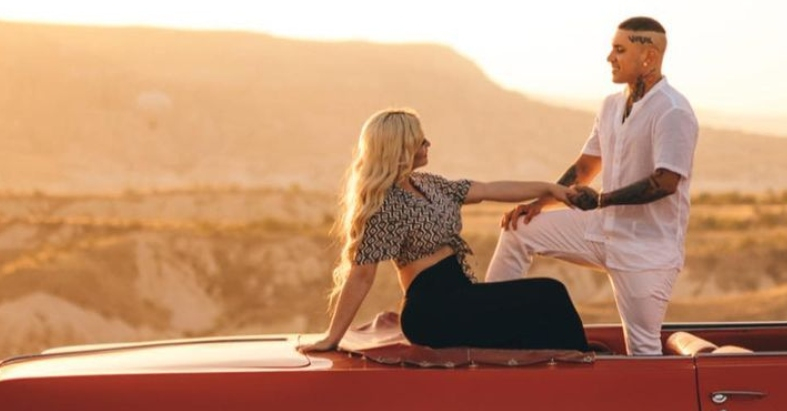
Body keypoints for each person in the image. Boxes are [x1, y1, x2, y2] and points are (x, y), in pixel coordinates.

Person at [485, 16, 699, 356]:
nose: (609, 58)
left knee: (643, 350)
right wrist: (539, 205)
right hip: (599, 230)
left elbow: (666, 182)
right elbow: (586, 167)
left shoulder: (673, 111)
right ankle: (489, 326)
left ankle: (650, 406)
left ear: (649, 57)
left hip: (647, 251)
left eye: (619, 50)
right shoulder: (610, 106)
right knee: (519, 229)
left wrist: (601, 200)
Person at [298, 108, 590, 353]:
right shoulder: (382, 204)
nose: (428, 143)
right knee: (549, 293)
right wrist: (331, 339)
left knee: (543, 302)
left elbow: (490, 189)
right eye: (420, 140)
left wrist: (551, 189)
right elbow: (361, 277)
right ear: (399, 148)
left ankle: (574, 359)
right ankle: (583, 363)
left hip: (461, 295)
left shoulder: (429, 184)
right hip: (432, 311)